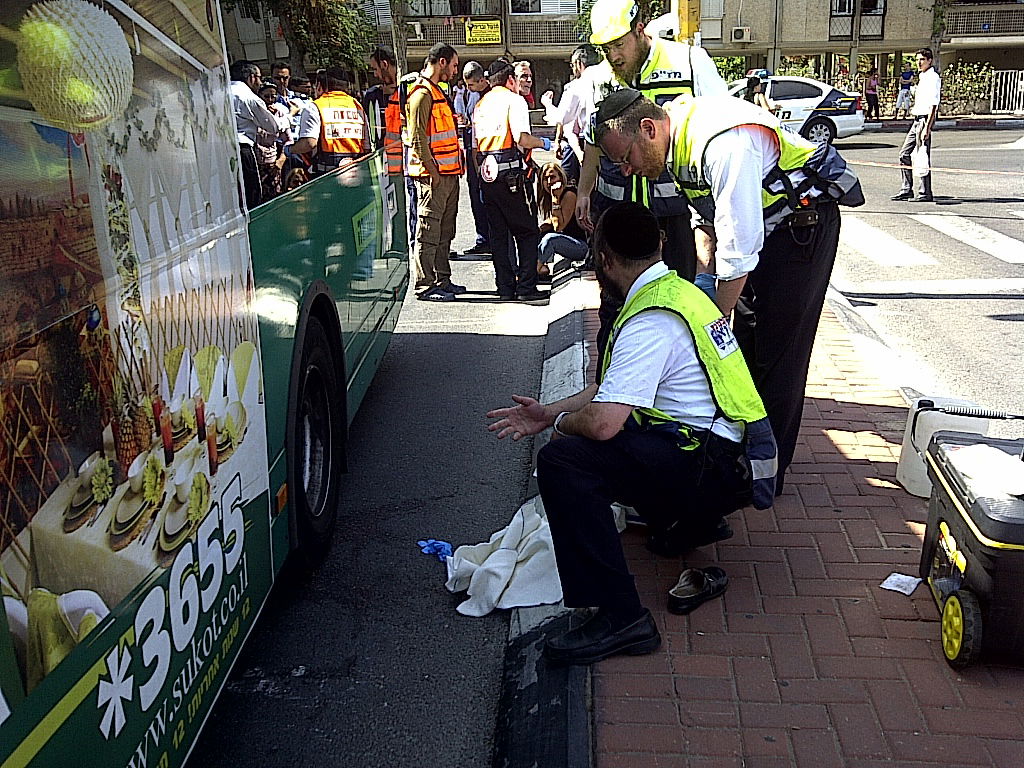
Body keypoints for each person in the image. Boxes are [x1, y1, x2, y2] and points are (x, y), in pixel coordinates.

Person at [486, 202, 771, 665]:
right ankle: (688, 523)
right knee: (624, 444)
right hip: (732, 459)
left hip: (708, 468)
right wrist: (548, 411)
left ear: (606, 260)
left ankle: (622, 617)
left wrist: (557, 427)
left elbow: (602, 423)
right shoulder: (681, 292)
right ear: (658, 245)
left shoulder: (649, 319)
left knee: (564, 462)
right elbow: (615, 386)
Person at [592, 88, 864, 493]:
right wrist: (705, 287)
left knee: (776, 356)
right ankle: (744, 456)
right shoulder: (675, 141)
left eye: (625, 159)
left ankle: (767, 472)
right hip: (766, 236)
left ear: (647, 130)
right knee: (741, 351)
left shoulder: (722, 144)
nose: (627, 171)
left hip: (800, 232)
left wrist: (708, 321)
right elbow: (708, 222)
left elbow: (738, 249)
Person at [577, 0, 727, 356]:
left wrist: (711, 224)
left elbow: (720, 123)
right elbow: (591, 144)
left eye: (618, 44)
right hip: (621, 215)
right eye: (605, 48)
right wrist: (584, 191)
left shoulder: (690, 63)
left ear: (640, 29)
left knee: (678, 307)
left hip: (677, 215)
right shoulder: (598, 80)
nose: (613, 56)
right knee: (616, 310)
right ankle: (613, 393)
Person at [472, 59, 553, 304]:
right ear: (510, 80)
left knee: (498, 235)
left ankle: (505, 287)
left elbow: (476, 148)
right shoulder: (513, 100)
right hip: (511, 175)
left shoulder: (481, 105)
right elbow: (522, 138)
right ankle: (526, 287)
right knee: (527, 232)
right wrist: (544, 143)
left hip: (488, 175)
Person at [406, 43, 466, 302]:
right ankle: (425, 285)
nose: (455, 71)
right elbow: (417, 138)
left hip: (448, 175)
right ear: (441, 62)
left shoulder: (436, 92)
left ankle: (443, 278)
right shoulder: (421, 94)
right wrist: (433, 172)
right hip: (434, 177)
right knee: (429, 232)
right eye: (453, 65)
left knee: (444, 231)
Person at [230, 60, 288, 209]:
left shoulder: (217, 94)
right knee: (252, 198)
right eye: (259, 78)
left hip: (220, 151)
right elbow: (272, 127)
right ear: (251, 78)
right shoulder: (248, 97)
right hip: (243, 150)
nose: (260, 82)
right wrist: (287, 117)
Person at [541, 44, 601, 184]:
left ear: (579, 64)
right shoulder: (610, 79)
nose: (573, 69)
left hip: (588, 142)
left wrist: (547, 103)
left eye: (573, 65)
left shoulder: (577, 85)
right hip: (611, 144)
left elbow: (560, 117)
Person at [293, 67, 369, 175]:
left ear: (319, 86)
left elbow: (309, 143)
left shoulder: (315, 107)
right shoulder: (357, 107)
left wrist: (290, 150)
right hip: (356, 173)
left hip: (326, 176)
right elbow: (367, 147)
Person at [892, 48, 940, 203]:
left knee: (922, 156)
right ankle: (907, 189)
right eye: (918, 59)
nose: (919, 63)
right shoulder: (922, 77)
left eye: (922, 60)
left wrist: (928, 127)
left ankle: (925, 192)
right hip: (916, 119)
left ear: (929, 60)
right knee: (904, 154)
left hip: (924, 120)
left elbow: (934, 105)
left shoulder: (933, 78)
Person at [454, 61, 492, 257]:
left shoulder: (488, 97)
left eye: (472, 85)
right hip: (471, 148)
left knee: (486, 198)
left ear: (482, 80)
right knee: (475, 197)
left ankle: (490, 238)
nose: (469, 88)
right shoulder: (468, 94)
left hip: (484, 152)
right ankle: (483, 238)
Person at [536, 162, 588, 279]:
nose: (550, 182)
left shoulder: (569, 194)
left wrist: (555, 200)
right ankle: (536, 267)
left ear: (560, 177)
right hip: (567, 241)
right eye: (545, 179)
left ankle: (534, 270)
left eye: (553, 177)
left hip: (581, 246)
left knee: (550, 239)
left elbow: (559, 226)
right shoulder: (550, 195)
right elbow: (552, 222)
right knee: (532, 233)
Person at [255, 82, 291, 200]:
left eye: (273, 96)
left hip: (273, 162)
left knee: (274, 196)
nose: (270, 100)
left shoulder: (280, 112)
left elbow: (289, 140)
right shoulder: (253, 111)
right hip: (256, 162)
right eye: (266, 97)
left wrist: (280, 160)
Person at [363, 46, 398, 150]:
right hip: (381, 158)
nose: (375, 75)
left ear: (384, 65)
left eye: (375, 69)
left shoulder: (408, 91)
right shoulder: (372, 96)